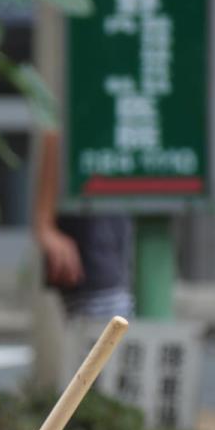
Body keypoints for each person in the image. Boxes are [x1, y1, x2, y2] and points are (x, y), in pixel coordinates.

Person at [33, 129, 135, 318]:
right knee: (107, 329)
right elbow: (57, 129)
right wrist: (44, 225)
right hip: (94, 244)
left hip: (115, 237)